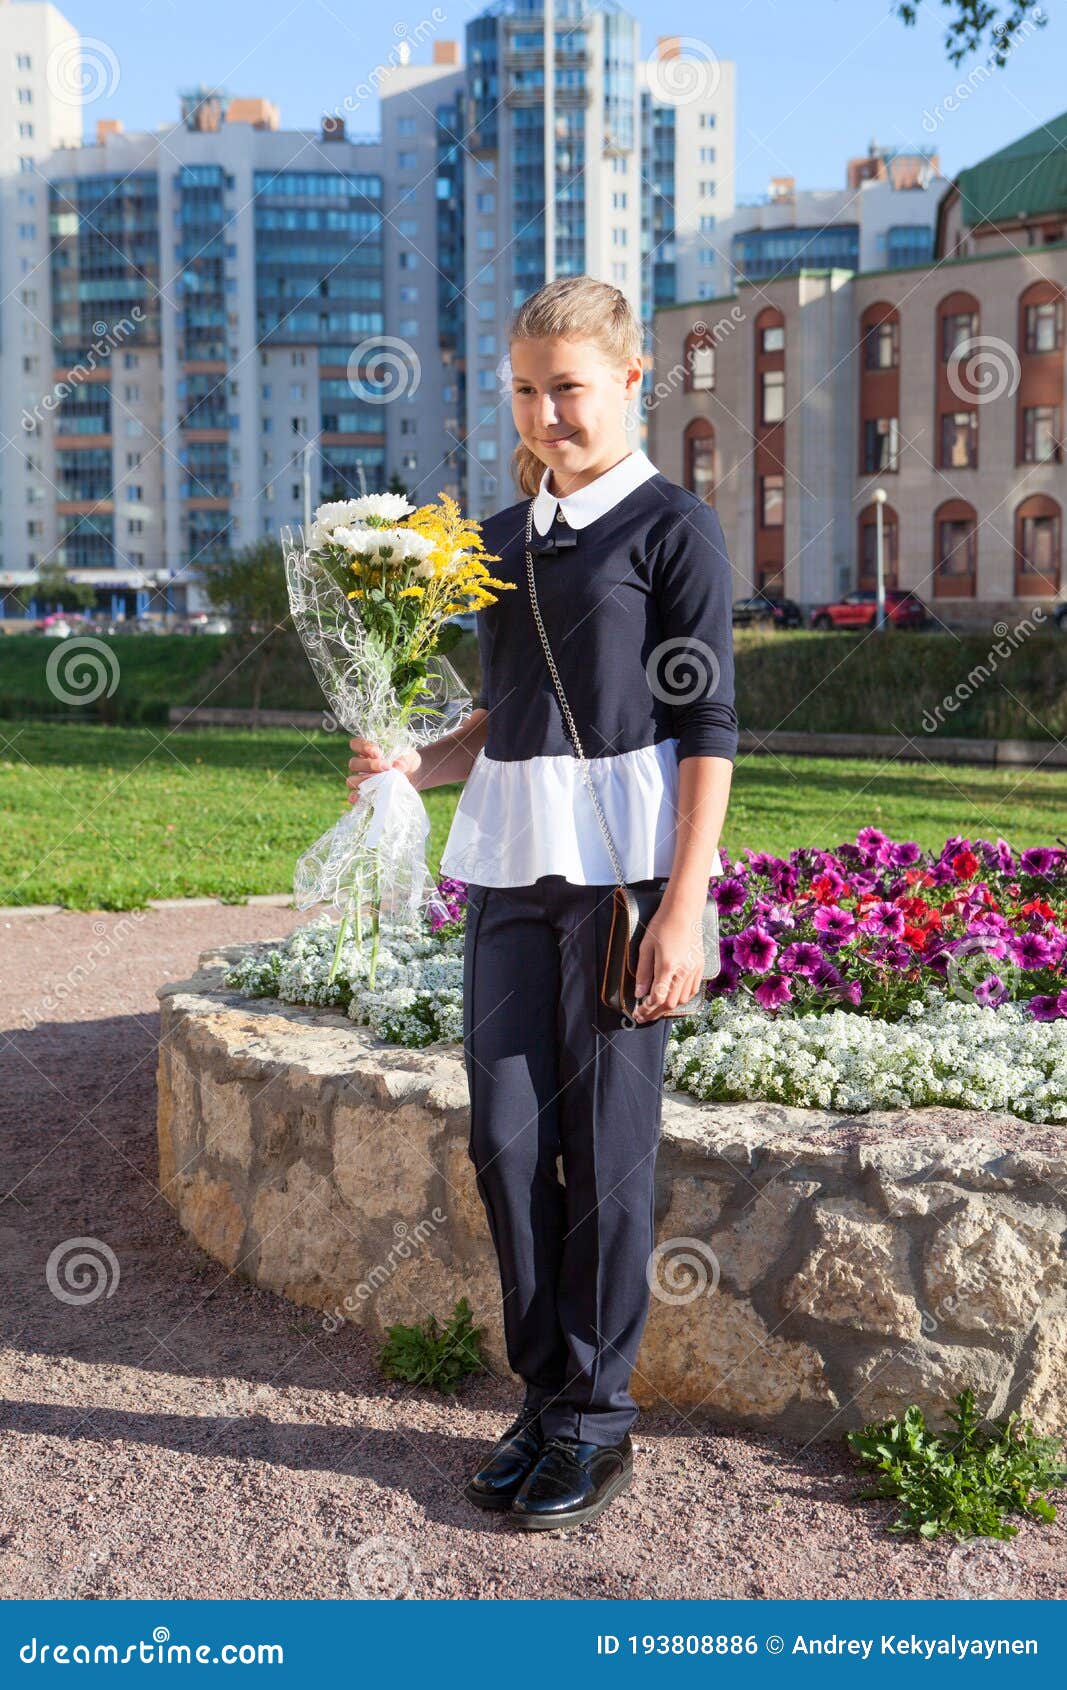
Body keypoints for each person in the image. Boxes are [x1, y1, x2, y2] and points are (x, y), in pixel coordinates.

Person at [346, 275, 736, 1531]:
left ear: (630, 382)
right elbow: (498, 721)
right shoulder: (499, 542)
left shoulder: (673, 528)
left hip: (625, 878)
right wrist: (414, 760)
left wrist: (687, 905)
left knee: (607, 1156)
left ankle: (597, 1420)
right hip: (510, 871)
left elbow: (707, 726)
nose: (544, 410)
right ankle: (544, 1396)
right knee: (506, 1143)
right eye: (523, 388)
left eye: (565, 386)